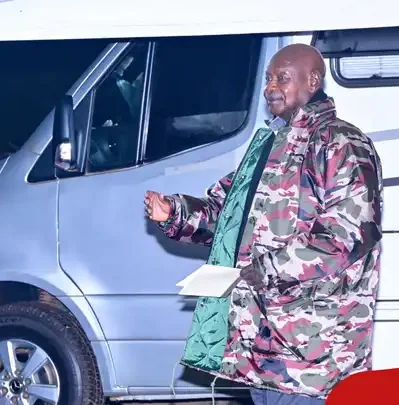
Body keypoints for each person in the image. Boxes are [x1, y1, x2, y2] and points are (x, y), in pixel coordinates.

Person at [145, 44, 383, 405]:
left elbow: (345, 237)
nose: (271, 87)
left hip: (314, 352)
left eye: (282, 78)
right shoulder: (270, 144)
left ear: (313, 81)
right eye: (269, 78)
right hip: (262, 343)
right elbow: (229, 213)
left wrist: (265, 268)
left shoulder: (341, 143)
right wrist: (175, 212)